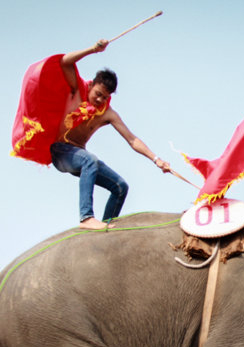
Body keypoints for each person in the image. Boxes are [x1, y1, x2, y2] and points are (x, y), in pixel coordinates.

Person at [12, 39, 171, 230]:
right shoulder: (77, 90)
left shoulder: (107, 113)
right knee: (90, 160)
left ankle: (104, 228)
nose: (99, 99)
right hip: (62, 152)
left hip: (80, 157)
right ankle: (86, 217)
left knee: (121, 187)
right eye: (97, 93)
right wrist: (93, 50)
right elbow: (65, 62)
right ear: (92, 85)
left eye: (104, 97)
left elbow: (132, 139)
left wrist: (156, 160)